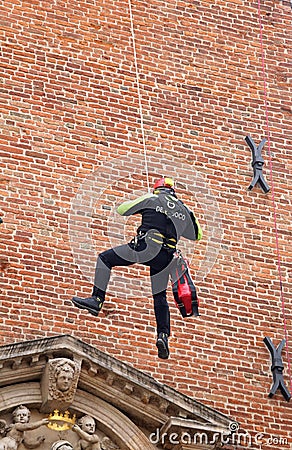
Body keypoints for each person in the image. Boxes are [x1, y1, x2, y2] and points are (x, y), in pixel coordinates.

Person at [72, 177, 202, 359]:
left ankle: (97, 300)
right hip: (165, 258)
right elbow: (197, 235)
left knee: (105, 259)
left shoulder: (152, 198)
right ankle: (163, 336)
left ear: (157, 189)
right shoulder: (183, 209)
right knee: (159, 296)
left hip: (144, 248)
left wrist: (145, 199)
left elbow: (122, 209)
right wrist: (187, 212)